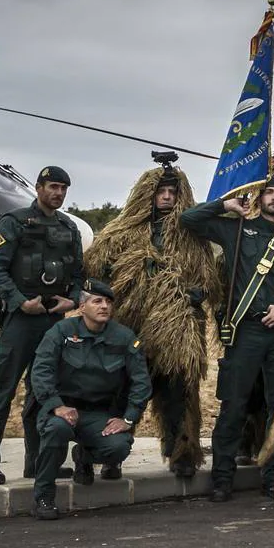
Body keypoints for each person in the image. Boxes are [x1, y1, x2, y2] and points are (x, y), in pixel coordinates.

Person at [180, 176, 274, 502]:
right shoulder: (237, 230)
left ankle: (272, 479)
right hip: (245, 332)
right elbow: (189, 220)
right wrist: (225, 206)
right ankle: (222, 478)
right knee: (233, 405)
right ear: (260, 198)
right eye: (268, 192)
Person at [81, 157, 219, 480]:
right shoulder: (123, 232)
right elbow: (97, 270)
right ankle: (106, 452)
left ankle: (182, 451)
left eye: (172, 192)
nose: (167, 197)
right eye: (161, 192)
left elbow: (208, 280)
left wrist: (194, 294)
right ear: (149, 194)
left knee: (180, 391)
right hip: (134, 326)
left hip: (178, 327)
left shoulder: (191, 235)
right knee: (121, 388)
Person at [0, 165, 85, 486]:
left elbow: (78, 274)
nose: (58, 193)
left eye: (63, 188)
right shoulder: (14, 223)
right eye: (52, 186)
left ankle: (37, 462)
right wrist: (20, 301)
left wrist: (73, 300)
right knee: (2, 390)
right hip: (20, 319)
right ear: (38, 188)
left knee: (43, 392)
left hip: (53, 321)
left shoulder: (68, 227)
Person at [26, 279, 151, 520]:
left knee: (118, 447)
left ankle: (85, 456)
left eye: (108, 302)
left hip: (98, 414)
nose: (104, 306)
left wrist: (128, 418)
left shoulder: (124, 337)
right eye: (97, 301)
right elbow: (41, 372)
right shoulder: (61, 332)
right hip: (63, 409)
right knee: (56, 431)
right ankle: (43, 497)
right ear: (82, 307)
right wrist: (56, 406)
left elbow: (141, 381)